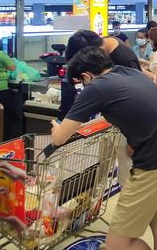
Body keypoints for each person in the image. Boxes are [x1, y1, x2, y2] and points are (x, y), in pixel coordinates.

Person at [52, 47, 157, 250]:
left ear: (86, 76)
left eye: (81, 82)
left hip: (155, 164)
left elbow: (59, 138)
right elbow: (137, 108)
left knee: (117, 244)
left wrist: (56, 128)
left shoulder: (96, 87)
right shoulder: (129, 72)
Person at [61, 30, 142, 186]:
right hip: (112, 121)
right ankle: (96, 195)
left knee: (126, 172)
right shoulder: (108, 48)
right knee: (104, 162)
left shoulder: (122, 58)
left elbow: (135, 99)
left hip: (127, 126)